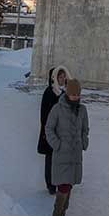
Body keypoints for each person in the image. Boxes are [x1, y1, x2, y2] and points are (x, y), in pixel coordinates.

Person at [44, 77, 89, 216]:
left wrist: (84, 142)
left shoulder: (82, 110)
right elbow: (49, 128)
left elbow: (85, 129)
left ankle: (63, 215)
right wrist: (57, 145)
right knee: (63, 188)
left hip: (75, 156)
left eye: (78, 94)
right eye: (73, 94)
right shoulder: (57, 109)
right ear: (68, 93)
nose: (76, 97)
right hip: (62, 155)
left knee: (68, 187)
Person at [37, 65, 69, 194]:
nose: (62, 79)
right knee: (50, 158)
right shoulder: (49, 92)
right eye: (60, 77)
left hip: (62, 131)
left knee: (59, 159)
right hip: (50, 131)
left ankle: (59, 182)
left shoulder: (63, 92)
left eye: (63, 77)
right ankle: (50, 185)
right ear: (54, 78)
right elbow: (44, 114)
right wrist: (47, 131)